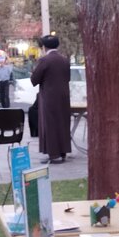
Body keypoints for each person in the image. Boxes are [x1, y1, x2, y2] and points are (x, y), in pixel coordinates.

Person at [30, 34, 71, 163]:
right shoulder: (64, 60)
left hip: (49, 97)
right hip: (64, 96)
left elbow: (34, 80)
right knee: (63, 123)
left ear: (44, 47)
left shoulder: (44, 60)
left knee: (50, 125)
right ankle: (63, 152)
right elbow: (68, 78)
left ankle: (53, 154)